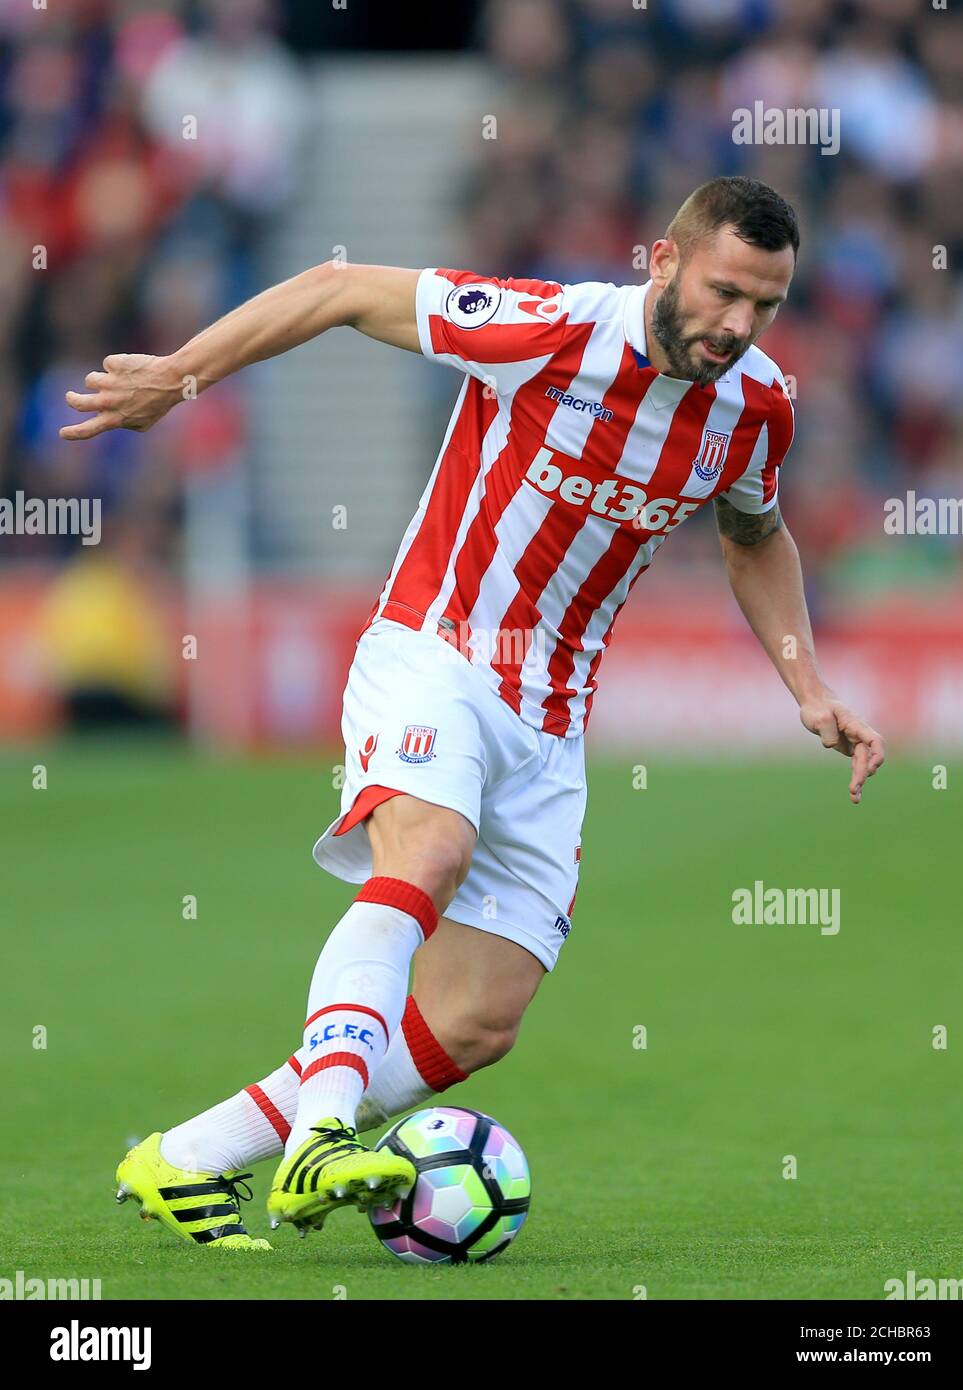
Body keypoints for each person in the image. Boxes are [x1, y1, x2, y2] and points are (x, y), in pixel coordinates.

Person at [62, 176, 885, 1250]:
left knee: (477, 1017)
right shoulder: (551, 328)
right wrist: (182, 375)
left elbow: (754, 535)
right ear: (665, 262)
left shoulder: (758, 406)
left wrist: (807, 682)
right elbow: (341, 286)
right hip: (437, 651)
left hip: (549, 721)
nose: (738, 326)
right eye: (727, 291)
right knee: (432, 846)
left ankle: (184, 1158)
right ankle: (319, 1139)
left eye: (766, 305)